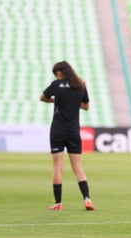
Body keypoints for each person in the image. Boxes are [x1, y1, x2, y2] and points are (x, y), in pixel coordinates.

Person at [40, 61, 94, 211]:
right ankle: (87, 199)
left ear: (59, 72)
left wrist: (54, 101)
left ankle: (58, 203)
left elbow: (42, 97)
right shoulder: (80, 85)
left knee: (57, 167)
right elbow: (86, 106)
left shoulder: (56, 85)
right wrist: (72, 103)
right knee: (78, 167)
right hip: (73, 131)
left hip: (58, 129)